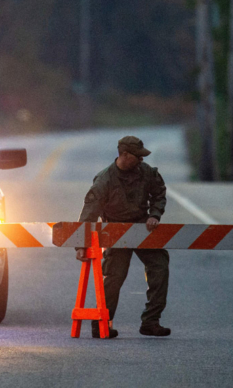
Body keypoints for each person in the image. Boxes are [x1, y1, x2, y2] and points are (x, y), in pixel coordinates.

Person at [78, 136, 170, 338]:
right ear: (125, 155)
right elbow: (89, 214)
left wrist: (154, 214)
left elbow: (159, 193)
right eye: (138, 156)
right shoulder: (105, 180)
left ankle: (151, 322)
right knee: (114, 277)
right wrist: (81, 246)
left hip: (141, 227)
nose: (141, 160)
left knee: (159, 266)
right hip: (116, 232)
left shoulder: (146, 172)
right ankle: (101, 324)